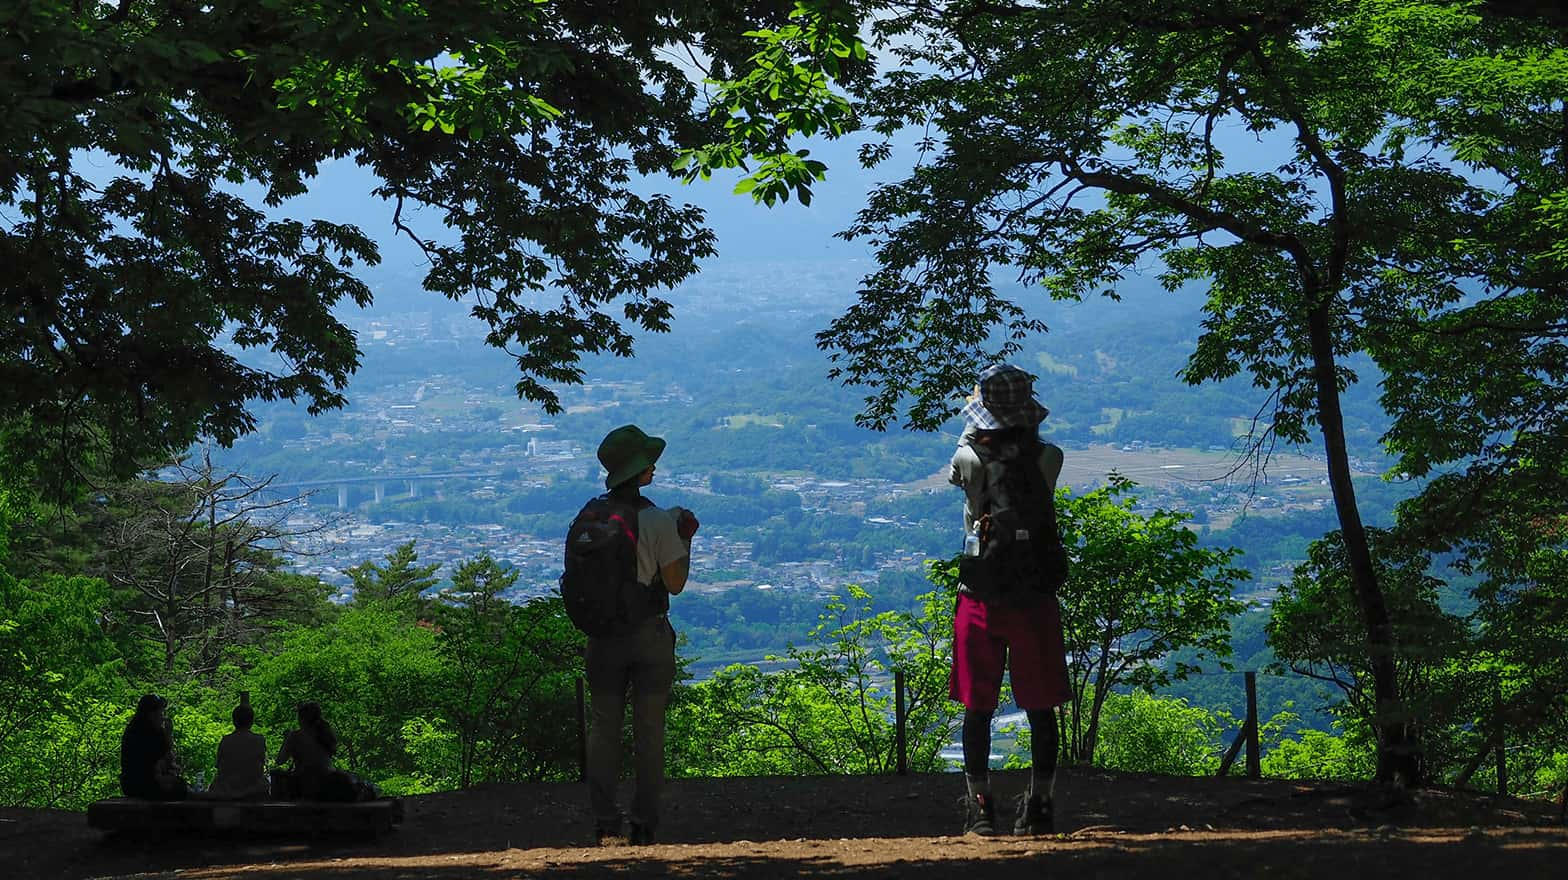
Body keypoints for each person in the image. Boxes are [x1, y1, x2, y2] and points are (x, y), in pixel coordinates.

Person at [948, 364, 1071, 836]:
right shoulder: (1049, 456)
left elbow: (961, 480)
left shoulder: (968, 458)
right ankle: (1040, 804)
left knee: (978, 707)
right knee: (1041, 707)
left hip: (981, 594)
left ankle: (980, 808)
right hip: (1035, 596)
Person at [585, 424, 698, 845]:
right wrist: (682, 539)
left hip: (602, 637)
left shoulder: (591, 515)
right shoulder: (655, 520)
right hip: (648, 636)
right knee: (649, 731)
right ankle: (644, 822)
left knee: (604, 728)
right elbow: (675, 583)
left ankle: (604, 821)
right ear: (641, 470)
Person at [273, 700, 358, 801]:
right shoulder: (325, 733)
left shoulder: (295, 736)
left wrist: (286, 740)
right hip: (327, 783)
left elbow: (280, 761)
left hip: (305, 786)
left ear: (301, 718)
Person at [119, 693, 188, 800]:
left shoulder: (155, 730)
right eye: (160, 712)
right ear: (151, 713)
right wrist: (168, 734)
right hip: (137, 784)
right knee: (180, 789)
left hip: (149, 780)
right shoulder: (139, 731)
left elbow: (169, 760)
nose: (162, 716)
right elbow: (163, 757)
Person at [201, 694, 269, 801]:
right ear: (252, 721)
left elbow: (218, 766)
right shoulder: (259, 740)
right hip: (253, 790)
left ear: (234, 721)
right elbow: (261, 764)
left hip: (227, 790)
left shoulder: (226, 740)